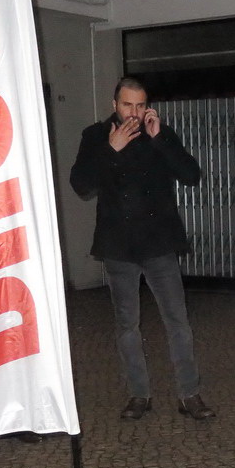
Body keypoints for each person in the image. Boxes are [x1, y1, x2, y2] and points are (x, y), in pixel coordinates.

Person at [70, 77, 215, 421]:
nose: (134, 113)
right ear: (114, 105)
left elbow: (191, 175)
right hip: (118, 244)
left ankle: (189, 394)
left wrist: (160, 138)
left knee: (177, 320)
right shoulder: (96, 136)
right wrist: (110, 150)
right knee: (127, 324)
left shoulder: (159, 133)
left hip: (159, 241)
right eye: (127, 105)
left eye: (140, 105)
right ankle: (138, 395)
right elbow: (81, 184)